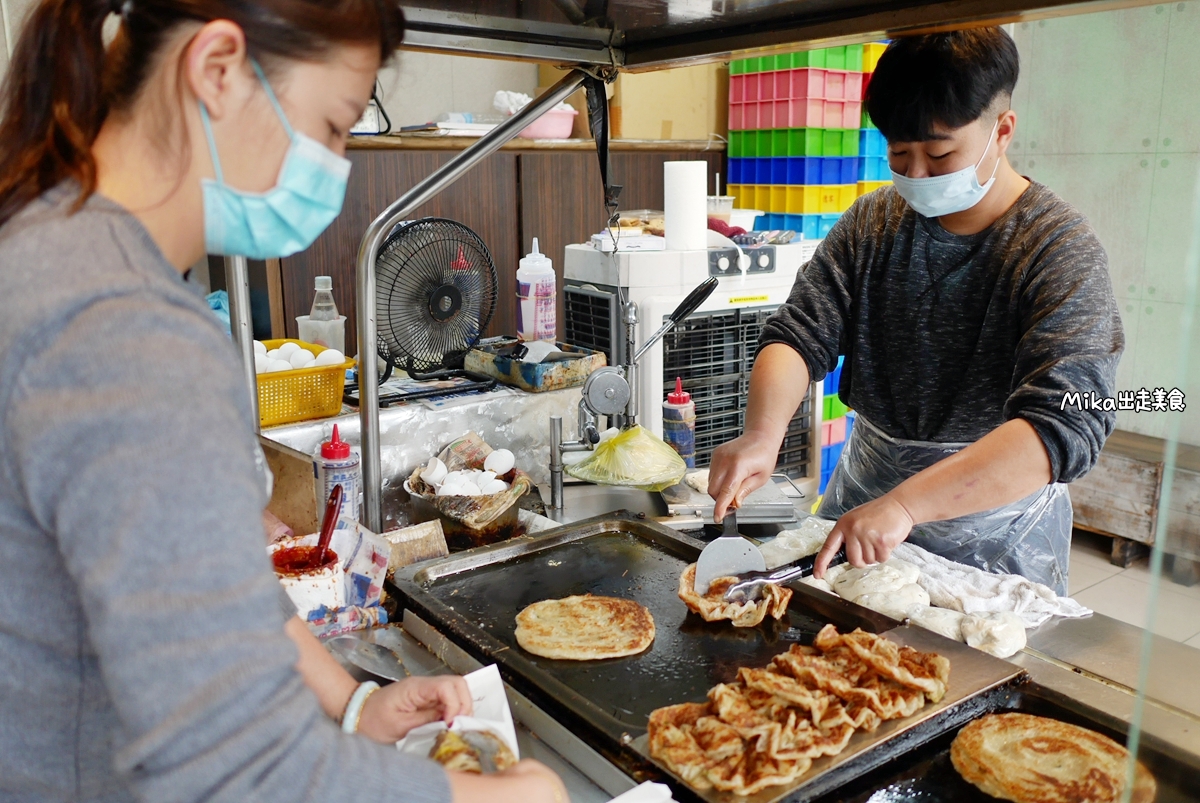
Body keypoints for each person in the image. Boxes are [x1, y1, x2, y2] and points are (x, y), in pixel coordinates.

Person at [0, 2, 569, 802]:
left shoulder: (51, 242)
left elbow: (200, 580)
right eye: (333, 127)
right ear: (217, 70)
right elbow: (240, 773)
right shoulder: (124, 330)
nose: (333, 167)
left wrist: (351, 701)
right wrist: (502, 797)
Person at [708, 29, 1123, 595]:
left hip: (998, 529)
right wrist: (762, 434)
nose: (917, 175)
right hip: (865, 500)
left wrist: (907, 505)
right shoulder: (875, 222)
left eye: (940, 153)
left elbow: (1067, 420)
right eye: (900, 154)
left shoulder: (1056, 248)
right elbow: (800, 332)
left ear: (1001, 131)